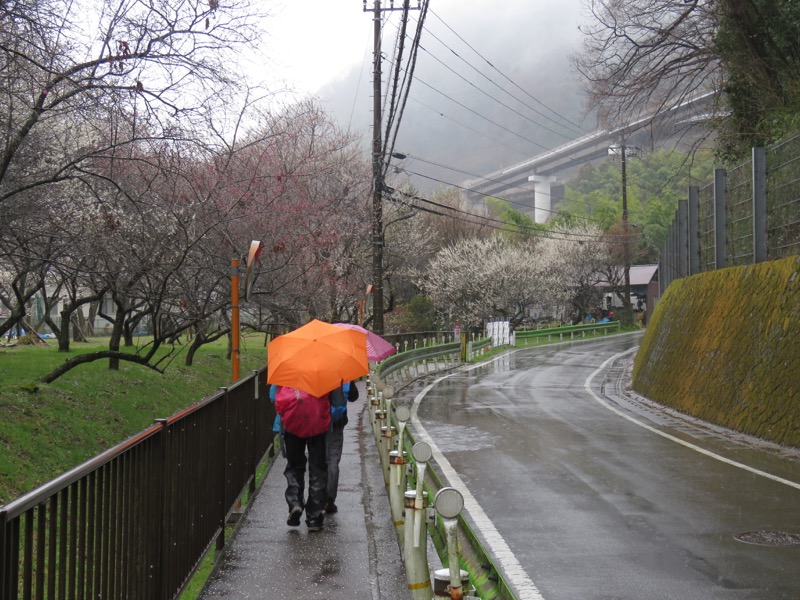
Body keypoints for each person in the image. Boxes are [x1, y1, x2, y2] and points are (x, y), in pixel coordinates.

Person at [274, 386, 331, 532]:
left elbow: (272, 396)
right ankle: (314, 517)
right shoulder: (325, 368)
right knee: (318, 468)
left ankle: (295, 503)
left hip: (292, 422)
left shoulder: (286, 368)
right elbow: (337, 401)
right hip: (318, 422)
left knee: (294, 465)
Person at [324, 381, 359, 513]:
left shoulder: (313, 370)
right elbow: (353, 396)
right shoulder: (342, 372)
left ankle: (317, 499)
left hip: (317, 421)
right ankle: (330, 500)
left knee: (318, 459)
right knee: (333, 459)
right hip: (337, 421)